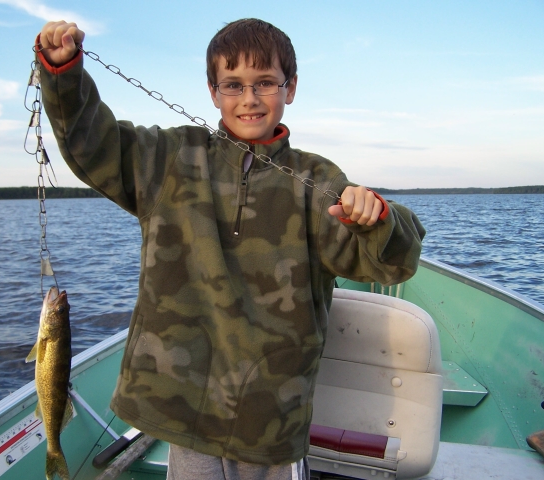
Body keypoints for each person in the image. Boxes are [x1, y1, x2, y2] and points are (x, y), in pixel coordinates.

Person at [36, 18, 426, 480]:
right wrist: (62, 74)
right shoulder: (168, 158)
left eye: (265, 83)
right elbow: (93, 145)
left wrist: (378, 219)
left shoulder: (318, 180)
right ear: (213, 91)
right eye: (233, 84)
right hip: (184, 413)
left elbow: (392, 263)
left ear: (290, 88)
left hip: (270, 419)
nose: (249, 98)